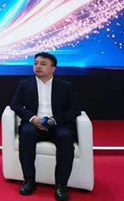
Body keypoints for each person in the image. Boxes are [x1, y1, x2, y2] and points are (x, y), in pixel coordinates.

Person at [10, 52, 80, 201]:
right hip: (33, 123)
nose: (38, 66)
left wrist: (54, 121)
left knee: (65, 138)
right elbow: (15, 105)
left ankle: (61, 185)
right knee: (26, 135)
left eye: (43, 64)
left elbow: (74, 110)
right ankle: (29, 180)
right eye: (35, 63)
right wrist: (32, 118)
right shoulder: (24, 84)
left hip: (57, 124)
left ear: (53, 68)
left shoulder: (65, 86)